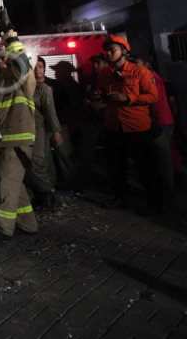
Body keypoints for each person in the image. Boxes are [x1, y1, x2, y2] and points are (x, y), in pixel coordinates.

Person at [0, 16, 38, 239]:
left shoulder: (22, 82)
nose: (3, 63)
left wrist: (10, 38)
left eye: (6, 60)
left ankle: (3, 229)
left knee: (6, 185)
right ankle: (28, 224)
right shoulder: (1, 84)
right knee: (16, 186)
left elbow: (22, 65)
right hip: (7, 141)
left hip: (18, 141)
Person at [97, 35, 163, 215]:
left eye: (113, 50)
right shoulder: (104, 73)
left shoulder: (140, 72)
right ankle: (120, 197)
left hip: (137, 128)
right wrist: (99, 99)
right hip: (113, 127)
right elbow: (102, 93)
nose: (108, 53)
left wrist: (128, 98)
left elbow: (153, 97)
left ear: (124, 51)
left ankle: (155, 202)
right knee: (116, 167)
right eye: (107, 50)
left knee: (146, 168)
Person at [129, 55, 175, 204]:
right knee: (158, 161)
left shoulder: (149, 76)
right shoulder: (149, 76)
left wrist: (153, 123)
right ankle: (164, 196)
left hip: (158, 123)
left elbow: (153, 102)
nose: (133, 65)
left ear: (145, 63)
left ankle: (167, 197)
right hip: (157, 123)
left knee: (162, 162)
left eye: (135, 62)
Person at [28, 57, 64, 209]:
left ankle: (48, 195)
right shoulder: (26, 86)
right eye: (34, 66)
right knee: (39, 163)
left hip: (40, 129)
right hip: (27, 130)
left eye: (40, 66)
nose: (37, 69)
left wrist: (56, 131)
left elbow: (50, 112)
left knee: (39, 163)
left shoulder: (44, 88)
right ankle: (41, 195)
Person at [74, 53, 109, 194]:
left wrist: (105, 104)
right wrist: (86, 101)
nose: (95, 65)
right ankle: (83, 183)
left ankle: (111, 183)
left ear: (106, 64)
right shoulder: (87, 79)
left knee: (112, 153)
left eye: (98, 63)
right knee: (87, 152)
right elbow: (81, 96)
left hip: (109, 120)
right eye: (93, 63)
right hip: (91, 120)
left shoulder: (112, 78)